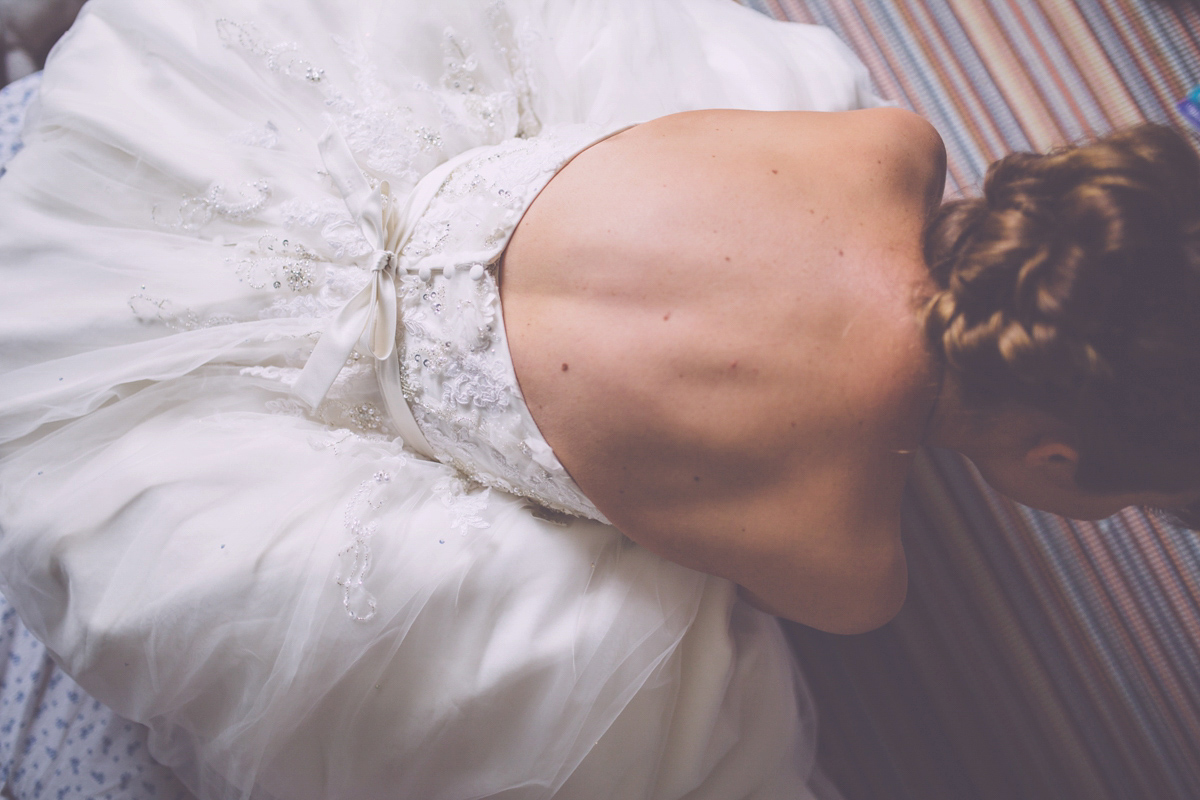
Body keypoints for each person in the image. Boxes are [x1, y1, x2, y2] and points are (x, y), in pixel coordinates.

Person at [0, 0, 1196, 799]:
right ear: (1054, 460)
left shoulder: (889, 144)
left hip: (381, 191)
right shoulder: (853, 556)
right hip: (368, 401)